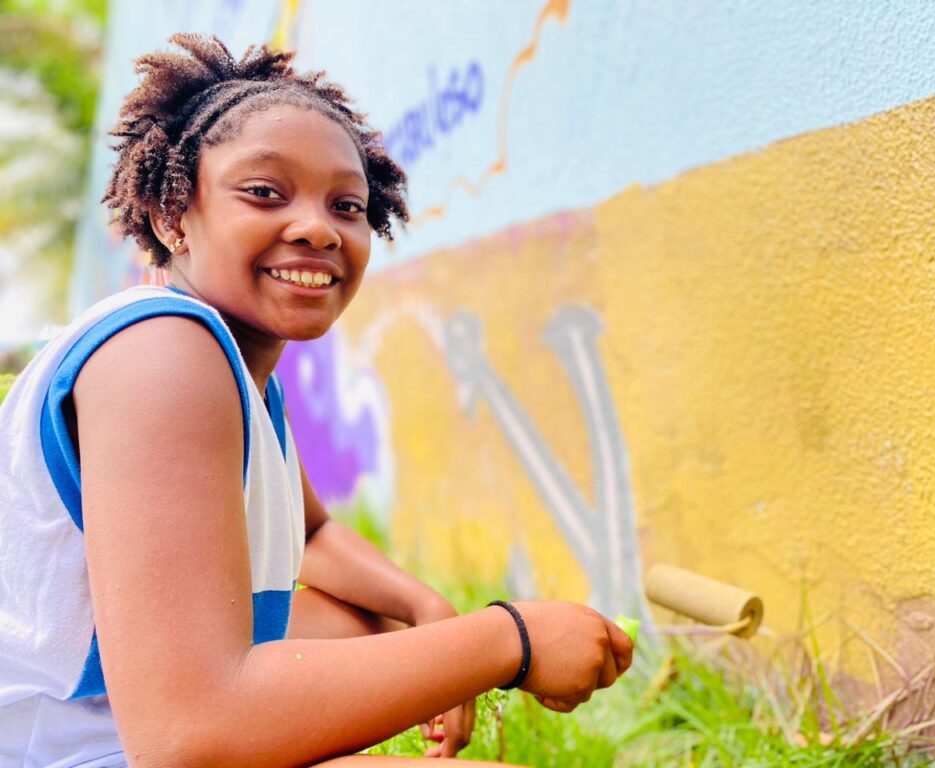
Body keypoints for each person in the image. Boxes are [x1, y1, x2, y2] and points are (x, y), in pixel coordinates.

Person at [0, 34, 632, 767]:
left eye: (347, 205)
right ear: (173, 216)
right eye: (264, 193)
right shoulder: (160, 353)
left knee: (366, 625)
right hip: (73, 748)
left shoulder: (234, 369)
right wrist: (508, 639)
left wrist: (426, 611)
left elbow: (311, 534)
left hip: (129, 734)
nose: (317, 228)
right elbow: (188, 734)